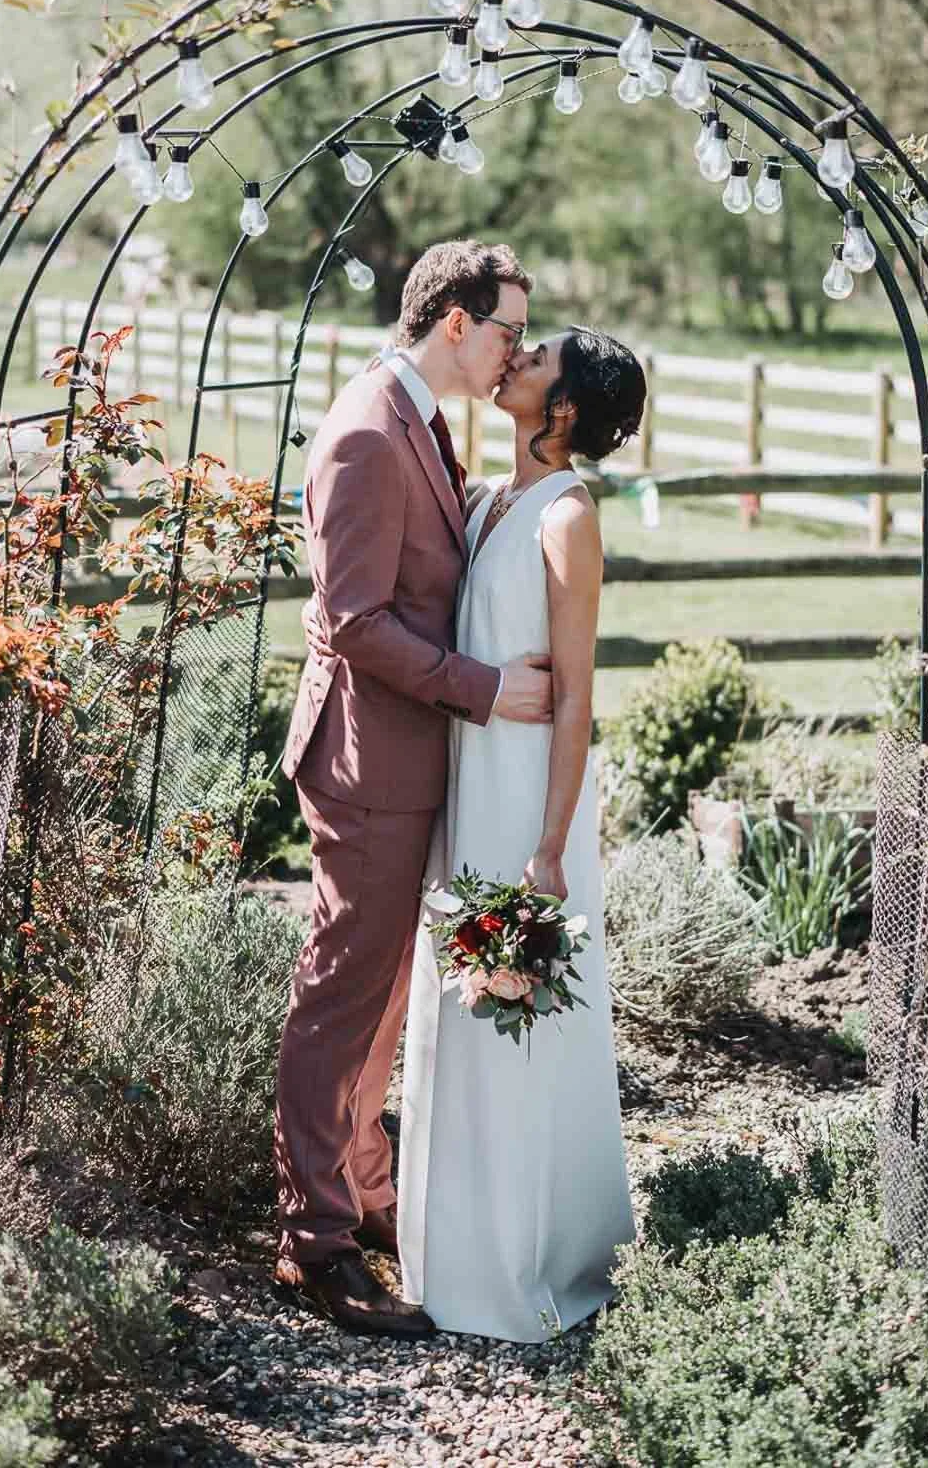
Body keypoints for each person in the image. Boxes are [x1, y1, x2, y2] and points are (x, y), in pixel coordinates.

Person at [273, 238, 554, 1339]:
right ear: (453, 324)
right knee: (344, 996)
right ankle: (314, 1244)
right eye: (507, 331)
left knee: (387, 996)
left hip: (405, 758)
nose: (514, 352)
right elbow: (351, 621)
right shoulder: (362, 432)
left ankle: (369, 1192)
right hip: (365, 763)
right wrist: (482, 688)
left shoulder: (422, 426)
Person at [398, 325, 646, 1342]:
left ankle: (525, 1257)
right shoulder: (488, 501)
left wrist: (551, 846)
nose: (513, 362)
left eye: (535, 358)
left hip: (528, 807)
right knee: (458, 1011)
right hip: (470, 787)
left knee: (521, 1018)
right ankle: (447, 1248)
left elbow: (579, 695)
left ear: (568, 409)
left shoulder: (568, 515)